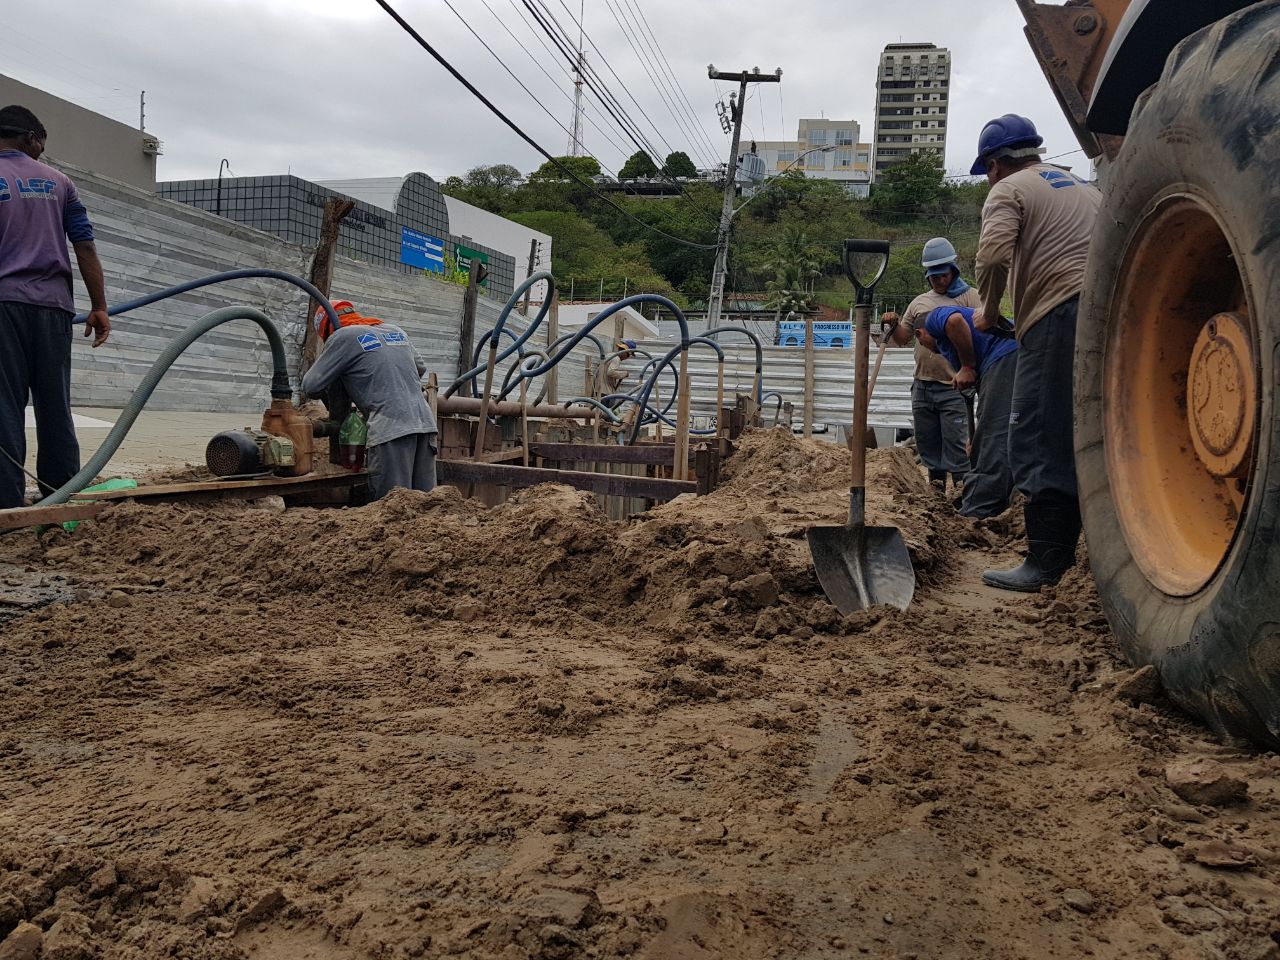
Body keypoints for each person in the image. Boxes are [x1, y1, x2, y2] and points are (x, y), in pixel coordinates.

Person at [971, 114, 1102, 591]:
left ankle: (1047, 564)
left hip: (1057, 313)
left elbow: (992, 256)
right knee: (1088, 431)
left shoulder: (1009, 190)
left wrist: (988, 312)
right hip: (1109, 314)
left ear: (994, 164)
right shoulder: (1085, 187)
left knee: (1036, 435)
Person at [0, 105, 111, 509]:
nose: (41, 153)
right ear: (30, 137)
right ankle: (61, 497)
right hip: (53, 308)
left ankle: (5, 506)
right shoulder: (61, 183)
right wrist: (99, 306)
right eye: (41, 145)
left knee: (4, 407)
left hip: (3, 308)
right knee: (54, 405)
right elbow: (84, 245)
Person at [301, 300, 438, 500]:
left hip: (390, 430)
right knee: (427, 506)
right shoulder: (394, 330)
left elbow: (311, 386)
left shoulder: (342, 337)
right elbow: (420, 368)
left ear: (327, 329)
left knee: (394, 507)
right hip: (425, 425)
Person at [880, 238, 980, 496]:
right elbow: (902, 339)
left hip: (954, 388)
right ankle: (936, 497)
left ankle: (962, 500)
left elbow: (982, 335)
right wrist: (892, 324)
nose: (939, 280)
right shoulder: (919, 303)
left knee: (958, 449)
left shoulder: (971, 298)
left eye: (943, 275)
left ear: (953, 271)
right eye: (933, 276)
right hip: (923, 387)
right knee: (929, 449)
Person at [921, 305, 1017, 518]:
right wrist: (974, 438)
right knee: (1014, 430)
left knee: (994, 437)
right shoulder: (961, 346)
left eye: (922, 343)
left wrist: (967, 366)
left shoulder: (933, 318)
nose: (929, 349)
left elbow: (954, 321)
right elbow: (988, 406)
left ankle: (977, 511)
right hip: (1022, 352)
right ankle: (1010, 498)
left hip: (1007, 356)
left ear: (921, 334)